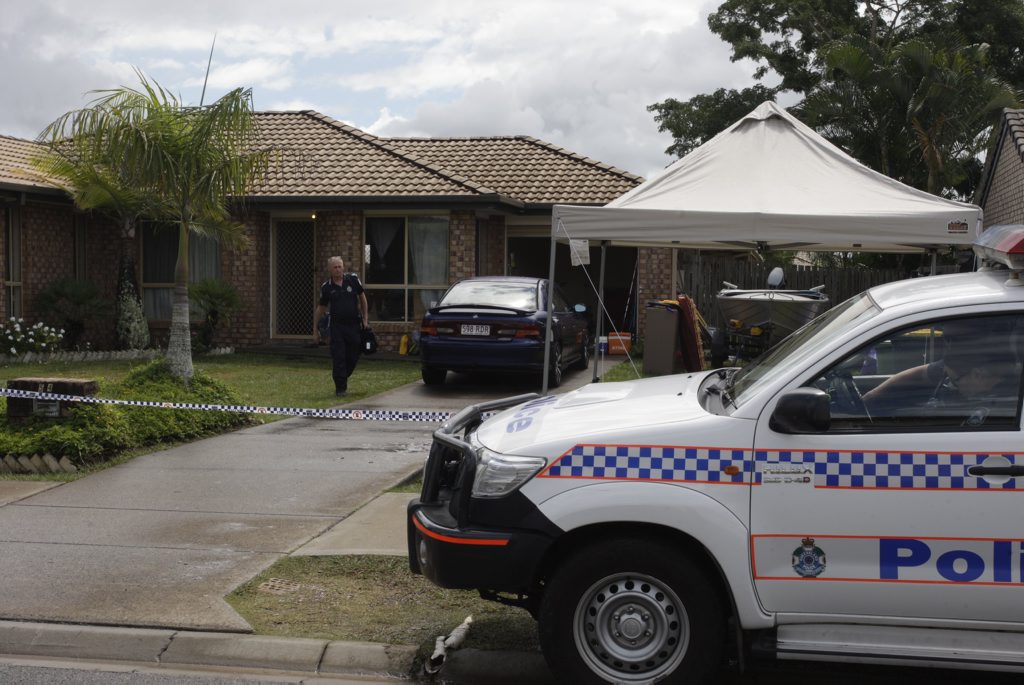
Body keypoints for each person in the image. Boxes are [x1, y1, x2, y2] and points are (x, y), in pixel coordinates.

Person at [313, 256, 369, 397]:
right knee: (339, 357)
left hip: (354, 325)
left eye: (340, 266)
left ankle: (343, 375)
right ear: (330, 270)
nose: (338, 269)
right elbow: (321, 308)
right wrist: (315, 329)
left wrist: (365, 319)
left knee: (354, 353)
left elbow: (362, 298)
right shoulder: (326, 288)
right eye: (335, 267)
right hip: (337, 327)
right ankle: (340, 388)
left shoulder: (353, 280)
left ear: (343, 267)